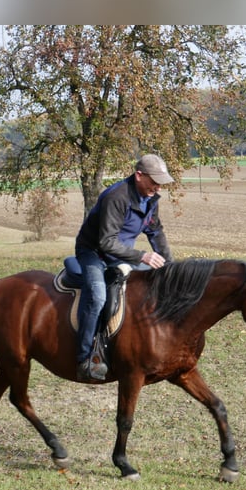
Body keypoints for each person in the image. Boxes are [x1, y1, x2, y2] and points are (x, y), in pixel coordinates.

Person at [74, 153, 174, 381]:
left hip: (120, 253)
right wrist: (142, 256)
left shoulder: (151, 198)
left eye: (160, 182)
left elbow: (155, 232)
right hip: (93, 253)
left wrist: (170, 267)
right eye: (154, 181)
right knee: (98, 296)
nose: (158, 187)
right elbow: (106, 242)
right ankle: (84, 357)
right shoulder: (116, 197)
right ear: (139, 175)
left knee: (151, 285)